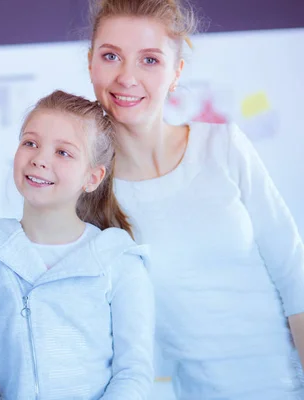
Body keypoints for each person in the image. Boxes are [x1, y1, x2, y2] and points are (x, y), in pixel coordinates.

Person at [87, 0, 304, 398]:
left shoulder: (222, 145)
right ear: (90, 63)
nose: (126, 77)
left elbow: (295, 272)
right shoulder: (90, 190)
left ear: (176, 73)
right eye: (111, 56)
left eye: (149, 60)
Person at [0, 90, 155, 399]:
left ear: (93, 177)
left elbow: (133, 373)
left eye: (63, 152)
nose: (40, 159)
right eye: (30, 143)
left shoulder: (119, 261)